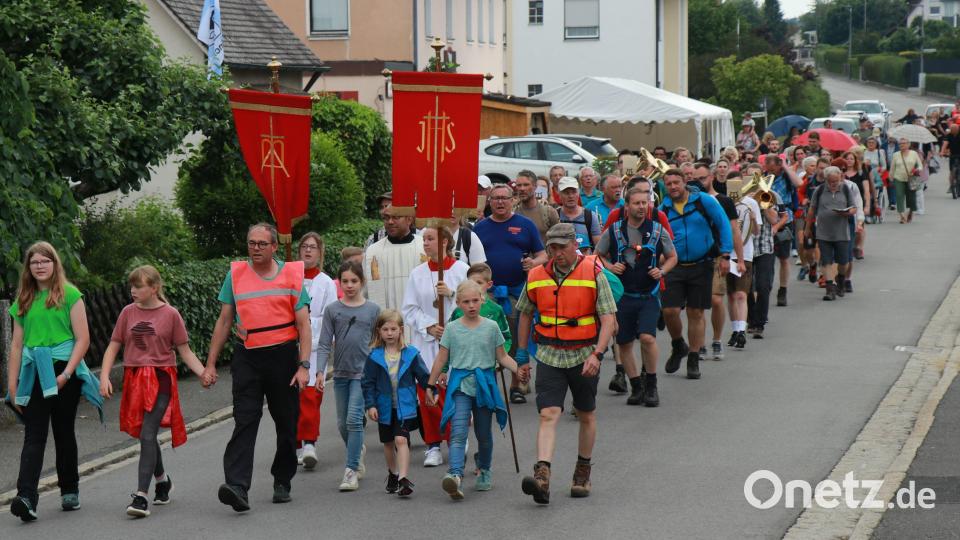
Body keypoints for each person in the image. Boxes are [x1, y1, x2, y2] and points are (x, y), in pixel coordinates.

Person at [203, 223, 312, 512]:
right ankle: (237, 486)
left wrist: (303, 365)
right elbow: (225, 320)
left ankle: (282, 478)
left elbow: (304, 324)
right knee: (245, 419)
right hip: (248, 357)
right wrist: (210, 363)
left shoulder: (290, 274)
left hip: (284, 357)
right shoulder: (236, 275)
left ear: (274, 246)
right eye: (252, 243)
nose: (256, 248)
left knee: (287, 423)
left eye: (262, 244)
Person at [515, 224, 617, 504]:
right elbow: (524, 314)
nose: (557, 253)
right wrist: (522, 354)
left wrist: (597, 354)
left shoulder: (594, 273)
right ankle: (542, 477)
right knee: (548, 413)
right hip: (548, 354)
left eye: (562, 247)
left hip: (584, 354)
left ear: (575, 245)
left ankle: (582, 471)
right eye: (552, 248)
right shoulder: (536, 275)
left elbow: (608, 317)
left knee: (585, 413)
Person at [99, 265, 207, 518]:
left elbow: (185, 351)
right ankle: (162, 480)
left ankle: (141, 496)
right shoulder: (127, 313)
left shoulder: (171, 315)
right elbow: (114, 345)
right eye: (132, 286)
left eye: (138, 286)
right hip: (134, 379)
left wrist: (203, 373)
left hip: (160, 380)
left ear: (154, 288)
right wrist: (103, 377)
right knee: (144, 434)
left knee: (148, 433)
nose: (133, 291)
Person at [6, 242, 103, 522]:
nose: (39, 266)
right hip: (34, 372)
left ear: (54, 264)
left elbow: (83, 339)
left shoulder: (70, 294)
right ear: (29, 267)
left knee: (63, 431)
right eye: (34, 262)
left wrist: (66, 374)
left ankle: (69, 490)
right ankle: (26, 497)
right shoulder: (23, 299)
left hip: (63, 369)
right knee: (34, 434)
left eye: (45, 261)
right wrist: (13, 386)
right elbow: (16, 346)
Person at [426, 280, 521, 499]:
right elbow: (442, 357)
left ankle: (485, 469)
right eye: (466, 302)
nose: (471, 305)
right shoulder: (452, 328)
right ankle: (455, 474)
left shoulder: (491, 327)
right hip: (459, 384)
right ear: (458, 303)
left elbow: (502, 356)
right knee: (458, 431)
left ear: (482, 299)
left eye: (475, 301)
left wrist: (519, 371)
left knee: (483, 433)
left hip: (484, 384)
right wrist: (430, 385)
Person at [596, 188, 677, 406]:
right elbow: (598, 255)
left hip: (648, 294)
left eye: (645, 203)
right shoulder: (614, 230)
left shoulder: (658, 230)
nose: (642, 207)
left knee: (648, 338)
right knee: (624, 342)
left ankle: (651, 384)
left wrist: (662, 271)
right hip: (622, 296)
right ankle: (636, 386)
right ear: (627, 206)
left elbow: (672, 256)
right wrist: (610, 267)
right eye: (637, 203)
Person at [401, 226, 469, 467]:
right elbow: (408, 308)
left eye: (430, 239)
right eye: (425, 239)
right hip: (427, 343)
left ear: (445, 242)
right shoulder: (417, 273)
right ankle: (432, 445)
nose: (425, 243)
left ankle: (456, 439)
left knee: (453, 393)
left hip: (457, 343)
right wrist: (429, 326)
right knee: (428, 393)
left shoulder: (462, 270)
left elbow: (473, 302)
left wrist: (451, 295)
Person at [473, 183, 547, 404]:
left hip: (516, 291)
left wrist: (533, 262)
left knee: (515, 337)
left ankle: (516, 384)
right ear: (490, 201)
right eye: (495, 198)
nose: (500, 202)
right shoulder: (480, 228)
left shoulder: (525, 225)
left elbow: (543, 255)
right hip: (488, 292)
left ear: (513, 199)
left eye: (504, 198)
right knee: (486, 337)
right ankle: (490, 386)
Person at [660, 169, 733, 379]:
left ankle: (693, 357)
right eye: (669, 183)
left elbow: (723, 224)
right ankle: (678, 344)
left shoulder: (704, 201)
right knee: (670, 311)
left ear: (685, 182)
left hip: (702, 263)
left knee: (696, 313)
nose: (673, 187)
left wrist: (726, 255)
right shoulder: (663, 208)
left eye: (676, 182)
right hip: (674, 265)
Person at [317, 260, 381, 491]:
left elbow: (380, 341)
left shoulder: (373, 310)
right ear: (339, 283)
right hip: (341, 374)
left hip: (363, 374)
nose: (350, 285)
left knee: (354, 420)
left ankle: (351, 470)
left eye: (354, 281)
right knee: (343, 425)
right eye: (345, 281)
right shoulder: (333, 310)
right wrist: (320, 372)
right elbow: (325, 343)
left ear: (362, 282)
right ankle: (357, 450)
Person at [362, 310, 430, 498]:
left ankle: (404, 478)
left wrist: (430, 389)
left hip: (405, 406)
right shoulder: (374, 356)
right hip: (384, 407)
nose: (389, 333)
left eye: (393, 329)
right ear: (379, 331)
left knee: (401, 440)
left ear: (401, 330)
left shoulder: (411, 354)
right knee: (388, 443)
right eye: (385, 329)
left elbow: (423, 376)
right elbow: (367, 383)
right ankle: (393, 473)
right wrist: (371, 405)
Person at [296, 232, 339, 469]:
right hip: (290, 346)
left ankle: (310, 442)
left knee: (311, 396)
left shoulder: (326, 282)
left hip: (314, 347)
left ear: (320, 252)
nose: (308, 251)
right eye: (304, 246)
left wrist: (308, 324)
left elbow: (331, 316)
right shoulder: (289, 279)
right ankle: (295, 444)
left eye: (313, 247)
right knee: (292, 398)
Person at [694, 163, 743, 360]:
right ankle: (700, 343)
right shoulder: (690, 200)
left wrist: (737, 258)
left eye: (702, 178)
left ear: (712, 177)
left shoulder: (724, 201)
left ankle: (716, 340)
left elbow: (733, 230)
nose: (699, 183)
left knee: (715, 300)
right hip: (696, 257)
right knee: (696, 306)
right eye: (695, 179)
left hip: (717, 256)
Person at [805, 167, 857, 301]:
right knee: (826, 261)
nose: (834, 183)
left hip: (841, 232)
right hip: (823, 232)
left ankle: (840, 280)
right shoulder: (820, 190)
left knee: (843, 262)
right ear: (826, 180)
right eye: (831, 181)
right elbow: (812, 209)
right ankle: (830, 289)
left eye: (836, 180)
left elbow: (854, 208)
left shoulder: (845, 189)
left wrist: (847, 212)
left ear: (840, 177)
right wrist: (807, 227)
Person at [364, 205, 424, 314]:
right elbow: (365, 291)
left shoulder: (423, 248)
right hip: (386, 324)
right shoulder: (373, 252)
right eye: (386, 218)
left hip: (418, 320)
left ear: (409, 219)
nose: (390, 222)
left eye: (396, 217)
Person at [724, 178, 762, 349]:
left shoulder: (750, 203)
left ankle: (741, 331)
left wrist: (753, 219)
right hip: (726, 253)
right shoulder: (723, 202)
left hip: (745, 254)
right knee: (731, 295)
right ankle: (734, 329)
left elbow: (756, 232)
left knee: (741, 294)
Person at [764, 154, 802, 307]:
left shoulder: (787, 178)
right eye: (767, 167)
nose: (770, 170)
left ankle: (783, 289)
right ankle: (766, 285)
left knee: (784, 258)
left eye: (772, 167)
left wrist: (786, 166)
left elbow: (799, 183)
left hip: (785, 218)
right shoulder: (763, 177)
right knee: (767, 258)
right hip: (766, 218)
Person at [557, 176, 602, 254]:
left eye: (574, 192)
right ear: (559, 195)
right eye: (566, 193)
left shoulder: (590, 216)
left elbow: (599, 248)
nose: (571, 196)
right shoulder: (555, 215)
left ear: (578, 193)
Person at [514, 169, 560, 245]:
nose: (522, 189)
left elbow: (559, 240)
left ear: (535, 186)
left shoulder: (549, 212)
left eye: (526, 185)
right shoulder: (512, 212)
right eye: (519, 185)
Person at [889, 138, 921, 223]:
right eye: (900, 144)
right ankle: (902, 215)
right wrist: (891, 178)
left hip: (911, 179)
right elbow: (892, 168)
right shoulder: (896, 154)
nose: (901, 145)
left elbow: (920, 166)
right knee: (899, 196)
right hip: (898, 178)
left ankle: (910, 212)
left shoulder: (914, 154)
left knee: (911, 198)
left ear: (908, 144)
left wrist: (915, 170)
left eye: (903, 143)